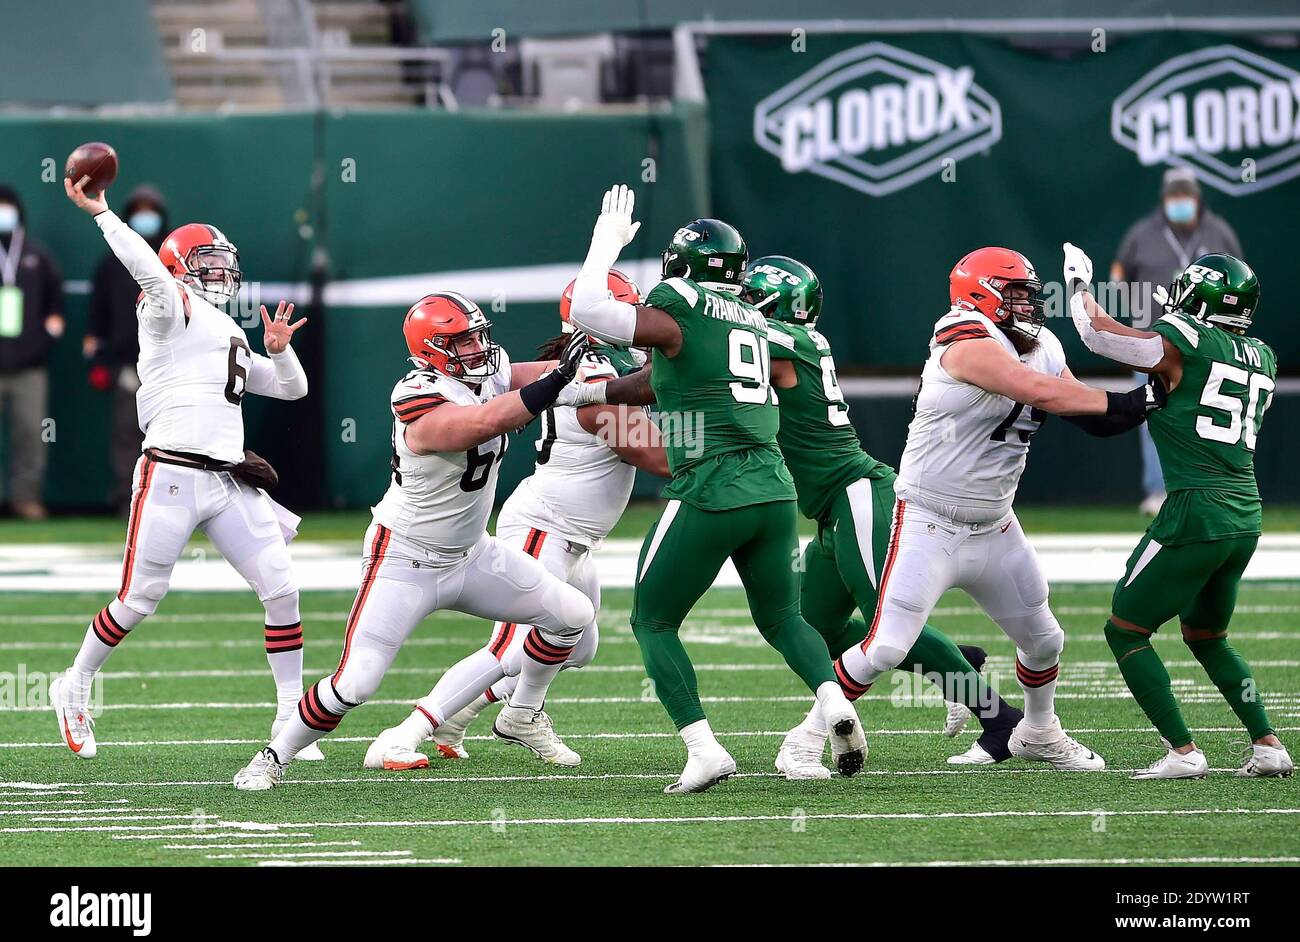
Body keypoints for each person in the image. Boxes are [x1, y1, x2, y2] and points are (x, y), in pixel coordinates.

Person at [563, 185, 867, 795]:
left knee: (653, 620)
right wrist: (590, 393)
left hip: (710, 484)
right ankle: (834, 699)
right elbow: (666, 376)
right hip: (774, 487)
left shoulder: (682, 300)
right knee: (783, 616)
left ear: (683, 266)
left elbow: (589, 311)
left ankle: (703, 750)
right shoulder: (756, 317)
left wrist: (604, 243)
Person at [234, 292, 596, 790]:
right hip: (404, 557)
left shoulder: (483, 372)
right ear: (431, 349)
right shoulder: (416, 393)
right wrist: (559, 379)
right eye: (462, 340)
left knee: (572, 616)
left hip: (472, 554)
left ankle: (518, 713)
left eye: (477, 334)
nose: (478, 347)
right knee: (355, 681)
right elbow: (481, 423)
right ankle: (272, 757)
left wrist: (608, 377)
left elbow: (535, 381)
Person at [828, 246, 1167, 771]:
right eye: (1017, 294)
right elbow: (1036, 391)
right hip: (928, 519)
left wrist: (1152, 396)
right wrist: (1140, 400)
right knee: (887, 648)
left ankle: (1039, 732)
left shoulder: (1043, 344)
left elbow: (1089, 414)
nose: (1030, 304)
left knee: (1044, 638)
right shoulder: (959, 335)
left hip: (994, 523)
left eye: (1031, 293)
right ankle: (805, 736)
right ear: (980, 294)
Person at [52, 176, 316, 761]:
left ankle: (289, 717)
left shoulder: (227, 328)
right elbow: (146, 270)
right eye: (208, 262)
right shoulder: (166, 307)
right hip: (170, 473)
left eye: (223, 262)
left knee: (283, 589)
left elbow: (292, 389)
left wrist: (276, 348)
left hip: (227, 481)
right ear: (179, 267)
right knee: (139, 598)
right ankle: (73, 685)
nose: (221, 272)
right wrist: (101, 213)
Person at [364, 270, 670, 770]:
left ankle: (490, 715)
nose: (643, 325)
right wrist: (729, 438)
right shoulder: (594, 373)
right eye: (631, 312)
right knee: (508, 647)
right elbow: (656, 455)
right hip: (543, 525)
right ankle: (406, 732)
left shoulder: (599, 363)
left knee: (577, 643)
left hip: (575, 536)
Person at [743, 255, 1024, 773]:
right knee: (813, 624)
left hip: (857, 496)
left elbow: (712, 350)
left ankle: (999, 718)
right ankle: (956, 659)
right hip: (833, 506)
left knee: (887, 625)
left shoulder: (779, 344)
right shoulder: (791, 342)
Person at [1065, 242, 1292, 779]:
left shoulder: (1185, 342)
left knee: (1125, 629)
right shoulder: (1263, 354)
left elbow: (1098, 334)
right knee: (1207, 635)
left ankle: (1183, 752)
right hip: (1245, 512)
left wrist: (1077, 286)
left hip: (1196, 507)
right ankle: (1268, 744)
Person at [1112, 166, 1243, 516]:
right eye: (1173, 197)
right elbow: (1119, 277)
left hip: (1208, 345)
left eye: (1185, 196)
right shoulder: (1142, 234)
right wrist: (1135, 321)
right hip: (1156, 340)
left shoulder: (1219, 232)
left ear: (1197, 199)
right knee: (1154, 417)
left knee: (1204, 416)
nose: (1179, 203)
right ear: (1164, 200)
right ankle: (1158, 490)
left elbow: (1239, 284)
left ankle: (1210, 487)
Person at [86, 185, 170, 513]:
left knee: (169, 431)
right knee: (127, 429)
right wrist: (97, 357)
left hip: (169, 360)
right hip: (129, 362)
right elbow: (97, 314)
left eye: (151, 209)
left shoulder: (169, 258)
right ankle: (129, 495)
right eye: (140, 209)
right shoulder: (111, 263)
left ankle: (167, 496)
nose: (145, 216)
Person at [0, 183, 65, 519]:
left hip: (29, 367)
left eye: (7, 206)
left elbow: (56, 307)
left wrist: (42, 342)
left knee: (32, 435)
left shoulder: (37, 255)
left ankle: (26, 499)